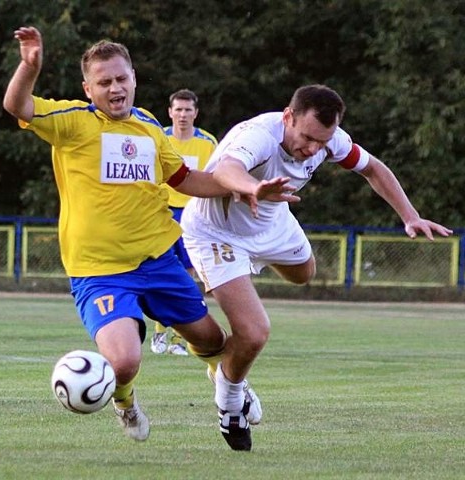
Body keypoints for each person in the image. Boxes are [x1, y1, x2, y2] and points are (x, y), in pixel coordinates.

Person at [2, 26, 288, 450]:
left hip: (157, 261)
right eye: (104, 82)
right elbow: (16, 104)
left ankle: (227, 384)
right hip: (99, 271)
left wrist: (244, 187)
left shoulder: (151, 127)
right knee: (123, 361)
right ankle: (125, 403)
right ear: (88, 88)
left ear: (134, 78)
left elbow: (186, 178)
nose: (115, 88)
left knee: (212, 341)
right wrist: (29, 67)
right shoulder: (72, 122)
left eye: (121, 79)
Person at [180, 84, 454, 449]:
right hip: (217, 232)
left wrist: (410, 215)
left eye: (321, 143)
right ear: (288, 116)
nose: (312, 149)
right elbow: (227, 170)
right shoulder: (258, 135)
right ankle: (230, 403)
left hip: (273, 222)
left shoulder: (331, 139)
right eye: (307, 137)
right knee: (255, 332)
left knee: (304, 274)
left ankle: (229, 363)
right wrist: (252, 187)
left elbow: (373, 168)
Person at [150, 89, 218, 357]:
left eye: (187, 110)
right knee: (160, 269)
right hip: (161, 212)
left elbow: (214, 177)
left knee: (187, 273)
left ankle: (179, 339)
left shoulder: (207, 143)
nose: (182, 115)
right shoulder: (159, 136)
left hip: (193, 214)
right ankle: (159, 333)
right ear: (170, 112)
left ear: (195, 113)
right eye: (178, 109)